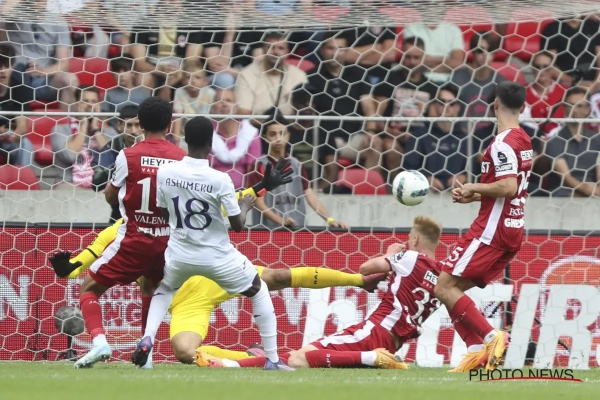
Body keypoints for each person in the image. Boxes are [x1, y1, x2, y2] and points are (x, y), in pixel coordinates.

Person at [48, 223, 385, 364]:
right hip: (183, 302)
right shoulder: (114, 233)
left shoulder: (170, 214)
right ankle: (254, 357)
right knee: (185, 353)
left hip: (208, 275)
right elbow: (80, 267)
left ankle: (358, 280)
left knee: (277, 277)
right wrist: (67, 268)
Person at [131, 116, 292, 371]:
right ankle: (272, 359)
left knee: (166, 289)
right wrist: (245, 205)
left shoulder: (166, 172)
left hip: (180, 253)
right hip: (217, 256)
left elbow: (163, 212)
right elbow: (237, 226)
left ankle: (148, 337)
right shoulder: (220, 179)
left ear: (185, 140)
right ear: (210, 144)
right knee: (257, 289)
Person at [196, 216, 443, 370]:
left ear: (414, 240)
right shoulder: (442, 277)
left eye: (409, 239)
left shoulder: (411, 257)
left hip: (374, 331)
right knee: (295, 358)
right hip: (393, 340)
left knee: (299, 358)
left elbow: (366, 269)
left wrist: (390, 254)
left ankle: (372, 357)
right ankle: (230, 363)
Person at [73, 97, 188, 369]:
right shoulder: (181, 158)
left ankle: (100, 341)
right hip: (167, 242)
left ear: (141, 125)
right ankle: (146, 354)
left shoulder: (128, 155)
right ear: (170, 125)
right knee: (150, 287)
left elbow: (110, 197)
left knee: (89, 289)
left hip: (135, 238)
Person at [434, 81, 533, 372]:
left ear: (495, 104)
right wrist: (476, 196)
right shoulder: (524, 139)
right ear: (523, 107)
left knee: (443, 287)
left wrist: (472, 186)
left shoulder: (502, 143)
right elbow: (512, 189)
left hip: (491, 230)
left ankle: (492, 337)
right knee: (450, 290)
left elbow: (508, 186)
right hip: (512, 227)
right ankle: (476, 352)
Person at [248, 116, 348, 229]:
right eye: (272, 134)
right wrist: (281, 221)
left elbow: (309, 194)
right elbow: (258, 201)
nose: (278, 138)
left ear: (288, 136)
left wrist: (330, 220)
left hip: (296, 227)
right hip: (267, 229)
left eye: (282, 133)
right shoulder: (259, 165)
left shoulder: (297, 164)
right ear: (265, 137)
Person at [368, 37, 440, 183]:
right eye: (407, 57)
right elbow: (377, 116)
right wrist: (391, 132)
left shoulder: (431, 87)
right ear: (402, 55)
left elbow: (433, 123)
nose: (411, 62)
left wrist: (415, 136)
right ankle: (399, 185)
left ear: (424, 57)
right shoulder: (389, 80)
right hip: (392, 134)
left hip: (420, 138)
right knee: (390, 146)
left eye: (416, 57)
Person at [402, 84, 468, 192]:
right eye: (442, 102)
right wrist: (426, 178)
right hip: (425, 192)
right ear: (435, 105)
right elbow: (408, 167)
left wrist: (465, 176)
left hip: (459, 192)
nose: (446, 106)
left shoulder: (465, 138)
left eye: (452, 103)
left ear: (458, 107)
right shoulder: (420, 134)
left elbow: (475, 168)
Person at [544, 87, 600, 197]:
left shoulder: (596, 139)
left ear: (588, 109)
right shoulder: (554, 141)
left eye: (579, 106)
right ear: (564, 108)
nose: (574, 110)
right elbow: (566, 178)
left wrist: (596, 189)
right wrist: (587, 190)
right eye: (570, 105)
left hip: (593, 190)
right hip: (564, 192)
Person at [235, 31, 307, 116]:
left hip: (290, 123)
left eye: (281, 48)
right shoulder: (247, 74)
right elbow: (243, 112)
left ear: (287, 53)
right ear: (263, 50)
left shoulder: (298, 75)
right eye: (271, 47)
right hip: (258, 123)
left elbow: (305, 111)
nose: (275, 52)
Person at [51, 85, 109, 190]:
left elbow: (112, 159)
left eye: (93, 101)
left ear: (99, 106)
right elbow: (70, 156)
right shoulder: (59, 130)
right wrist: (83, 126)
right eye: (85, 101)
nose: (89, 105)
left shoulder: (108, 131)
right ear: (77, 105)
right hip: (69, 183)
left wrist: (96, 130)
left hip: (100, 185)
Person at [91, 105, 143, 222]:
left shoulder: (150, 148)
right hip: (118, 214)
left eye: (137, 125)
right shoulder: (111, 147)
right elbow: (96, 183)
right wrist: (122, 164)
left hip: (146, 214)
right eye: (129, 125)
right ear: (119, 126)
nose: (133, 131)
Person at [450, 32, 506, 132]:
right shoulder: (458, 78)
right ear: (473, 51)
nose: (485, 54)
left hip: (490, 135)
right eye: (480, 50)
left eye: (490, 50)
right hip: (461, 134)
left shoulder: (500, 82)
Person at [207, 89, 261, 189]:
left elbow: (252, 170)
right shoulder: (205, 133)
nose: (224, 104)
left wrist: (246, 194)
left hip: (243, 193)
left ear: (236, 107)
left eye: (229, 100)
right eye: (219, 101)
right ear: (212, 107)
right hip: (210, 191)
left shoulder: (250, 133)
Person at [521, 51, 567, 136]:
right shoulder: (522, 91)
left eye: (546, 67)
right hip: (532, 139)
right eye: (537, 67)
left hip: (561, 139)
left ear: (554, 68)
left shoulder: (566, 91)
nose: (541, 70)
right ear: (532, 69)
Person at [172, 59, 216, 144]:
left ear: (205, 81)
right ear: (183, 80)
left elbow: (215, 118)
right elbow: (178, 117)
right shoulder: (180, 92)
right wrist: (176, 140)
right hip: (186, 136)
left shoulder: (210, 93)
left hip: (207, 135)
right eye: (188, 77)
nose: (193, 81)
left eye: (197, 77)